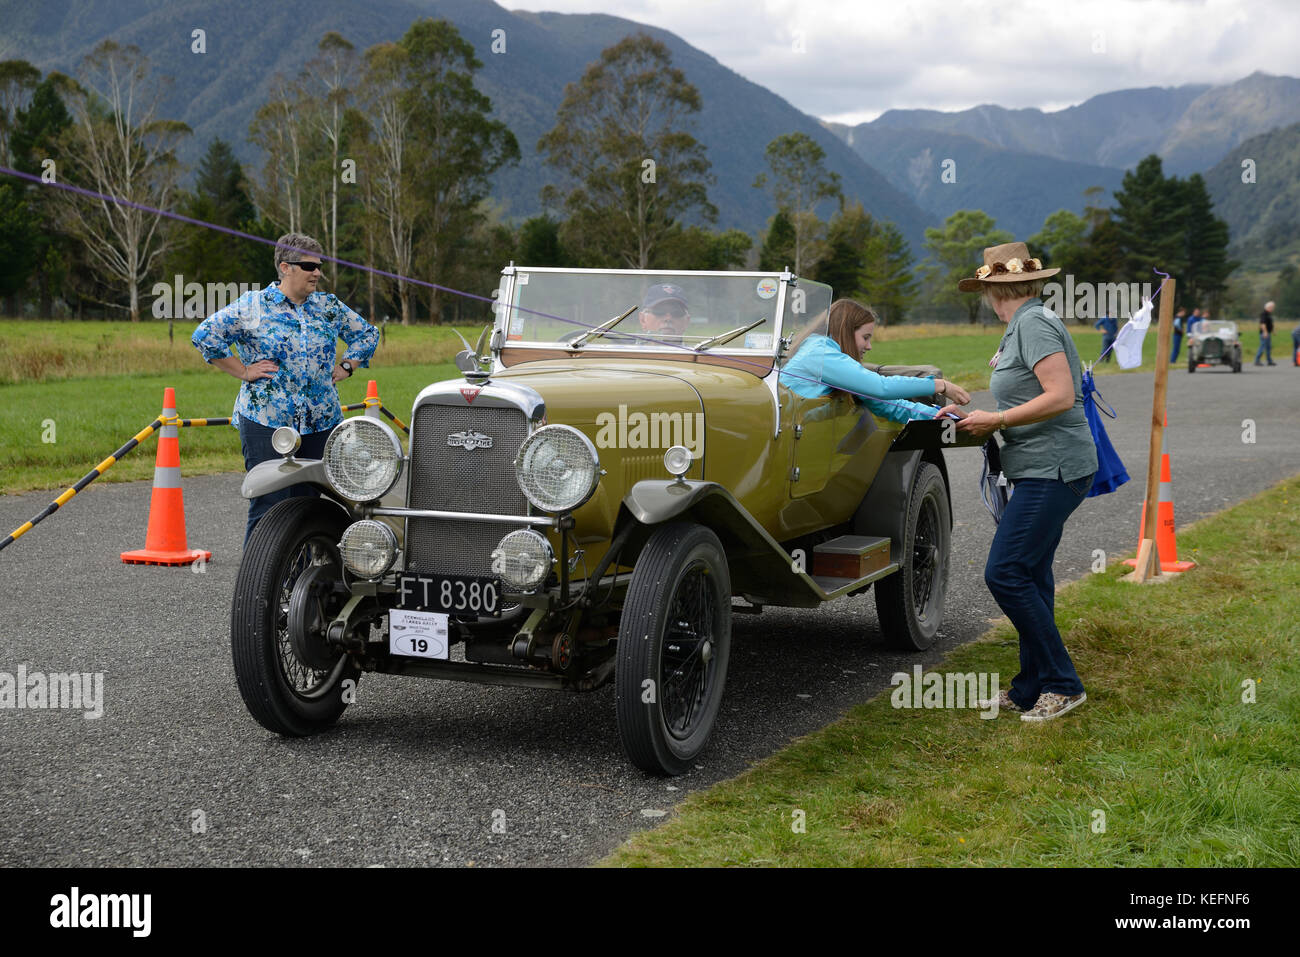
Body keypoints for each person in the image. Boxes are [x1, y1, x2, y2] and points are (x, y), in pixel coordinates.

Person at [937, 242, 1097, 722]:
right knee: (1030, 575)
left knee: (1004, 573)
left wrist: (998, 419)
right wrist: (975, 419)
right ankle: (1030, 687)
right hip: (1039, 468)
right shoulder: (1021, 327)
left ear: (991, 288)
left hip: (1056, 468)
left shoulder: (1033, 324)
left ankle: (1064, 685)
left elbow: (1062, 396)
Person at [191, 232, 379, 542]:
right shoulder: (254, 305)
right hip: (267, 422)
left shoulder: (328, 306)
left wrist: (347, 366)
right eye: (308, 266)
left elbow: (367, 335)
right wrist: (243, 370)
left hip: (320, 423)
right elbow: (205, 336)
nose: (317, 272)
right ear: (285, 267)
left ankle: (304, 580)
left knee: (309, 505)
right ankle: (260, 584)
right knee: (270, 503)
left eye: (319, 266)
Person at [780, 299, 970, 423]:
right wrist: (939, 385)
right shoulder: (819, 352)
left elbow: (886, 404)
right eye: (866, 337)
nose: (869, 346)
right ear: (846, 331)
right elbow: (881, 387)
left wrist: (944, 418)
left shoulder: (832, 359)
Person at [1255, 300, 1276, 366]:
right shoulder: (1264, 314)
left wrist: (1272, 331)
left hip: (1268, 333)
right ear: (1268, 307)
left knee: (1268, 347)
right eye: (1272, 307)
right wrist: (1265, 332)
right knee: (1262, 346)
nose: (1273, 309)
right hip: (1264, 334)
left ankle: (1269, 361)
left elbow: (1269, 324)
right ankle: (1257, 360)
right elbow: (1263, 324)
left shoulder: (1268, 314)